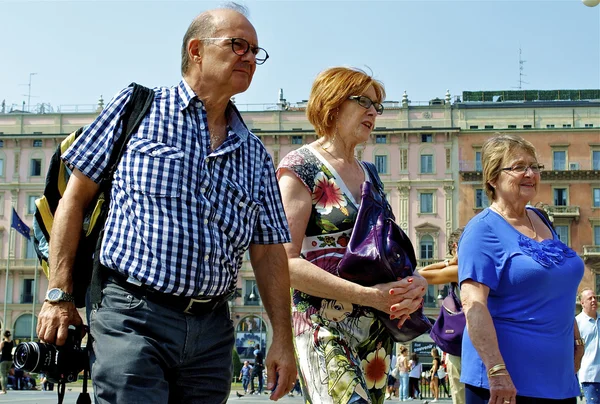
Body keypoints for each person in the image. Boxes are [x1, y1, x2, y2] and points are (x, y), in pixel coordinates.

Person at [35, 4, 296, 403]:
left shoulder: (256, 154)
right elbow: (74, 199)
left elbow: (268, 253)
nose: (249, 57)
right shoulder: (138, 109)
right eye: (238, 45)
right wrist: (59, 294)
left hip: (212, 333)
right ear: (196, 50)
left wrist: (282, 337)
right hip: (133, 315)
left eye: (255, 51)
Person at [277, 66, 428, 403]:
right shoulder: (300, 166)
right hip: (323, 323)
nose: (374, 112)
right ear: (332, 103)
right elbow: (284, 263)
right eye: (364, 102)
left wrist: (414, 280)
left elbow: (381, 249)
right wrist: (371, 296)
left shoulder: (370, 174)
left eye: (378, 106)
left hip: (375, 330)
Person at [459, 133, 584, 404]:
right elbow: (472, 304)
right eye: (518, 167)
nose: (530, 174)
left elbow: (553, 285)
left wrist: (575, 338)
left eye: (534, 166)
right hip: (507, 386)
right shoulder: (482, 231)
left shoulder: (539, 218)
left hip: (559, 380)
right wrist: (496, 371)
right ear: (492, 178)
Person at [419, 227, 465, 404]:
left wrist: (448, 263)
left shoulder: (461, 270)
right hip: (460, 347)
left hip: (462, 345)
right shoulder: (460, 268)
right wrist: (450, 262)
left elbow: (421, 274)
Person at [576, 289, 600, 402]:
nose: (594, 300)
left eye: (595, 297)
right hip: (590, 377)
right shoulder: (577, 323)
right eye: (590, 298)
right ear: (582, 303)